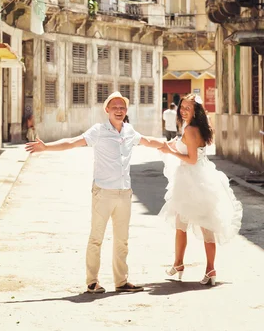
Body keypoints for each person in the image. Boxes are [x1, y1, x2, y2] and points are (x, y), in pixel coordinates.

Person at [25, 91, 165, 294]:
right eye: (115, 107)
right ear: (107, 109)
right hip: (103, 192)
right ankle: (92, 281)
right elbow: (72, 142)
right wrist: (46, 147)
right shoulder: (98, 131)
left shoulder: (129, 131)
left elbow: (150, 141)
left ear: (126, 111)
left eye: (122, 107)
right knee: (96, 238)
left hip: (125, 193)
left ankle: (121, 281)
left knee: (122, 240)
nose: (119, 110)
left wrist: (173, 146)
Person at [158, 93, 243, 286]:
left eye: (188, 108)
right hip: (197, 178)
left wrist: (170, 151)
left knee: (204, 226)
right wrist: (173, 145)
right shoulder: (196, 127)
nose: (184, 111)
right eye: (182, 107)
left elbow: (192, 159)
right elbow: (190, 147)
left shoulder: (190, 129)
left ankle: (208, 268)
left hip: (194, 181)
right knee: (183, 225)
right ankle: (181, 264)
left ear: (196, 111)